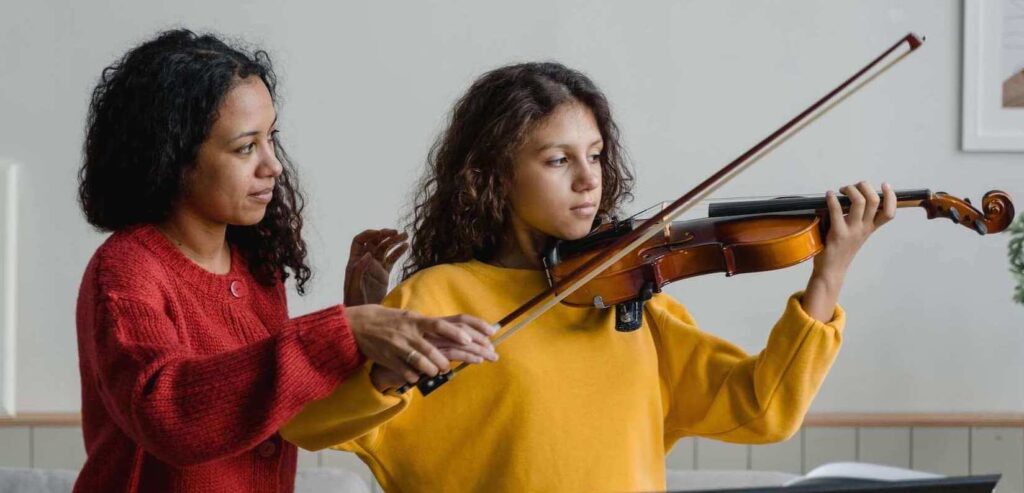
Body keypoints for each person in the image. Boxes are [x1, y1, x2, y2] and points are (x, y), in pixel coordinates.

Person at [281, 62, 896, 492]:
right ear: (493, 175)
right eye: (558, 160)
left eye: (595, 155)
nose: (588, 179)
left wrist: (829, 272)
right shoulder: (436, 297)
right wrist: (381, 355)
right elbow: (311, 426)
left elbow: (764, 409)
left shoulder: (632, 298)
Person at [73, 29, 497, 493]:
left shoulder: (257, 269)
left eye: (271, 139)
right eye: (245, 147)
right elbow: (168, 415)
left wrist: (359, 323)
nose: (272, 165)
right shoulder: (125, 270)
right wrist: (344, 330)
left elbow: (278, 406)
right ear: (171, 157)